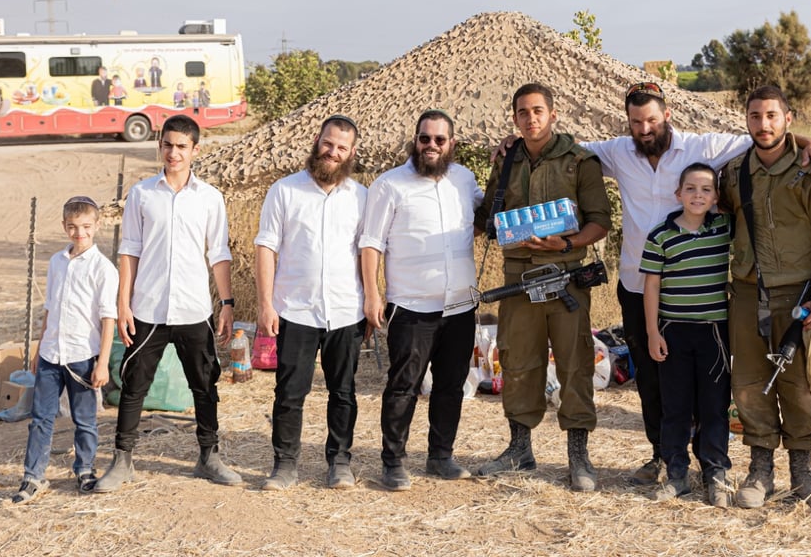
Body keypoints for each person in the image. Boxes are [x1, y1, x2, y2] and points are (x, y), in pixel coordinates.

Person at [533, 80, 811, 485]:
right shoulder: (618, 152)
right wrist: (512, 146)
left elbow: (762, 136)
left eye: (652, 120)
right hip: (640, 285)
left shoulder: (700, 147)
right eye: (636, 122)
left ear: (667, 116)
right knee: (653, 379)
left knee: (709, 380)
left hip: (697, 292)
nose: (644, 129)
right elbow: (566, 148)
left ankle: (711, 461)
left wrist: (809, 142)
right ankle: (663, 456)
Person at [473, 83, 612, 492]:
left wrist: (565, 243)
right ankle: (520, 449)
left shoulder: (579, 161)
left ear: (553, 114)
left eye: (537, 111)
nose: (530, 119)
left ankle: (577, 455)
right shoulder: (508, 158)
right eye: (522, 112)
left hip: (565, 274)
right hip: (518, 280)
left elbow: (599, 221)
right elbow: (489, 214)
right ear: (514, 118)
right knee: (517, 363)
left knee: (574, 363)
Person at [94, 114, 241, 492]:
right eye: (167, 145)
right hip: (149, 308)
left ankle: (209, 457)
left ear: (195, 150)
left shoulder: (210, 198)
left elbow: (219, 253)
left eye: (181, 146)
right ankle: (122, 461)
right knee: (133, 385)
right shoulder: (143, 194)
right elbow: (129, 251)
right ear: (159, 146)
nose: (173, 153)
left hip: (194, 309)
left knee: (205, 385)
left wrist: (226, 303)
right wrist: (123, 304)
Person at [719, 85, 811, 510]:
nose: (763, 124)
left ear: (788, 119)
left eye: (772, 116)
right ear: (747, 120)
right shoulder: (735, 172)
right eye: (755, 116)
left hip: (800, 295)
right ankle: (760, 470)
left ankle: (803, 473)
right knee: (750, 384)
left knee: (800, 384)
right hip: (747, 293)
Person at [360, 110, 483, 491]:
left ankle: (440, 456)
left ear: (452, 144)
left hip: (461, 305)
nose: (431, 146)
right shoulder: (389, 185)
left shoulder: (464, 179)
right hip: (411, 307)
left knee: (451, 384)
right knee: (404, 386)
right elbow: (371, 242)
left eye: (439, 140)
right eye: (424, 139)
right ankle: (393, 461)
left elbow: (481, 218)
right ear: (415, 140)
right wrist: (372, 293)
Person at [255, 114, 371, 491]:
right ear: (316, 142)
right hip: (295, 308)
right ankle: (285, 464)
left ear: (352, 153)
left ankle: (339, 461)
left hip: (345, 310)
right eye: (327, 143)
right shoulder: (285, 191)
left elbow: (367, 253)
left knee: (343, 392)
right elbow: (266, 247)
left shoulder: (361, 197)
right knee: (290, 393)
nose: (332, 152)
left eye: (341, 147)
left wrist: (371, 299)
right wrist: (265, 305)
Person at [10, 196, 117, 504]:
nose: (79, 233)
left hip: (82, 356)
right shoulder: (57, 262)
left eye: (85, 226)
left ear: (97, 226)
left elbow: (107, 317)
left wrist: (103, 363)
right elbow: (50, 307)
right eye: (72, 227)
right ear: (64, 227)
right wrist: (39, 345)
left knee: (85, 419)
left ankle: (84, 470)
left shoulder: (103, 268)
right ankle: (33, 476)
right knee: (41, 417)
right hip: (50, 354)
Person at [641, 163, 734, 507]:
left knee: (714, 406)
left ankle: (715, 471)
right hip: (673, 331)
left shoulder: (724, 227)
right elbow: (652, 286)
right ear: (678, 194)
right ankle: (676, 472)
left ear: (716, 198)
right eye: (691, 189)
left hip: (714, 333)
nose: (698, 195)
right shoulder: (661, 235)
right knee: (676, 406)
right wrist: (653, 332)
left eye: (706, 189)